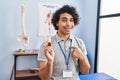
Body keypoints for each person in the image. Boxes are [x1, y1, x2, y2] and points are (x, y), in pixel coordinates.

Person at [38, 5, 91, 80]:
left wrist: (82, 57)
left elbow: (85, 71)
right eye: (64, 20)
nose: (68, 24)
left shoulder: (79, 42)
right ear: (57, 23)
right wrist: (50, 61)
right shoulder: (46, 45)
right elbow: (44, 78)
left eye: (71, 20)